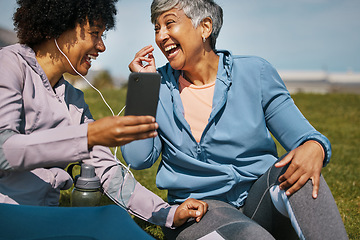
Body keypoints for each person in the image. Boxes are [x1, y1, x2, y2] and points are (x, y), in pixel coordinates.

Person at [123, 0, 348, 239]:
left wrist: (315, 147)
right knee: (252, 237)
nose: (161, 36)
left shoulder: (255, 73)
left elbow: (306, 137)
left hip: (258, 200)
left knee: (301, 172)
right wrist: (143, 89)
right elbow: (138, 158)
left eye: (169, 23)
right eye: (156, 28)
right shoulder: (156, 86)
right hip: (200, 212)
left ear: (205, 27)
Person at [0, 0, 208, 238]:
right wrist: (88, 136)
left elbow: (108, 172)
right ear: (57, 27)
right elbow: (3, 150)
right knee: (108, 222)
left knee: (111, 217)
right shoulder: (9, 64)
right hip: (7, 215)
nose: (101, 46)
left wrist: (168, 213)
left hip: (45, 216)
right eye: (95, 34)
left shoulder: (73, 99)